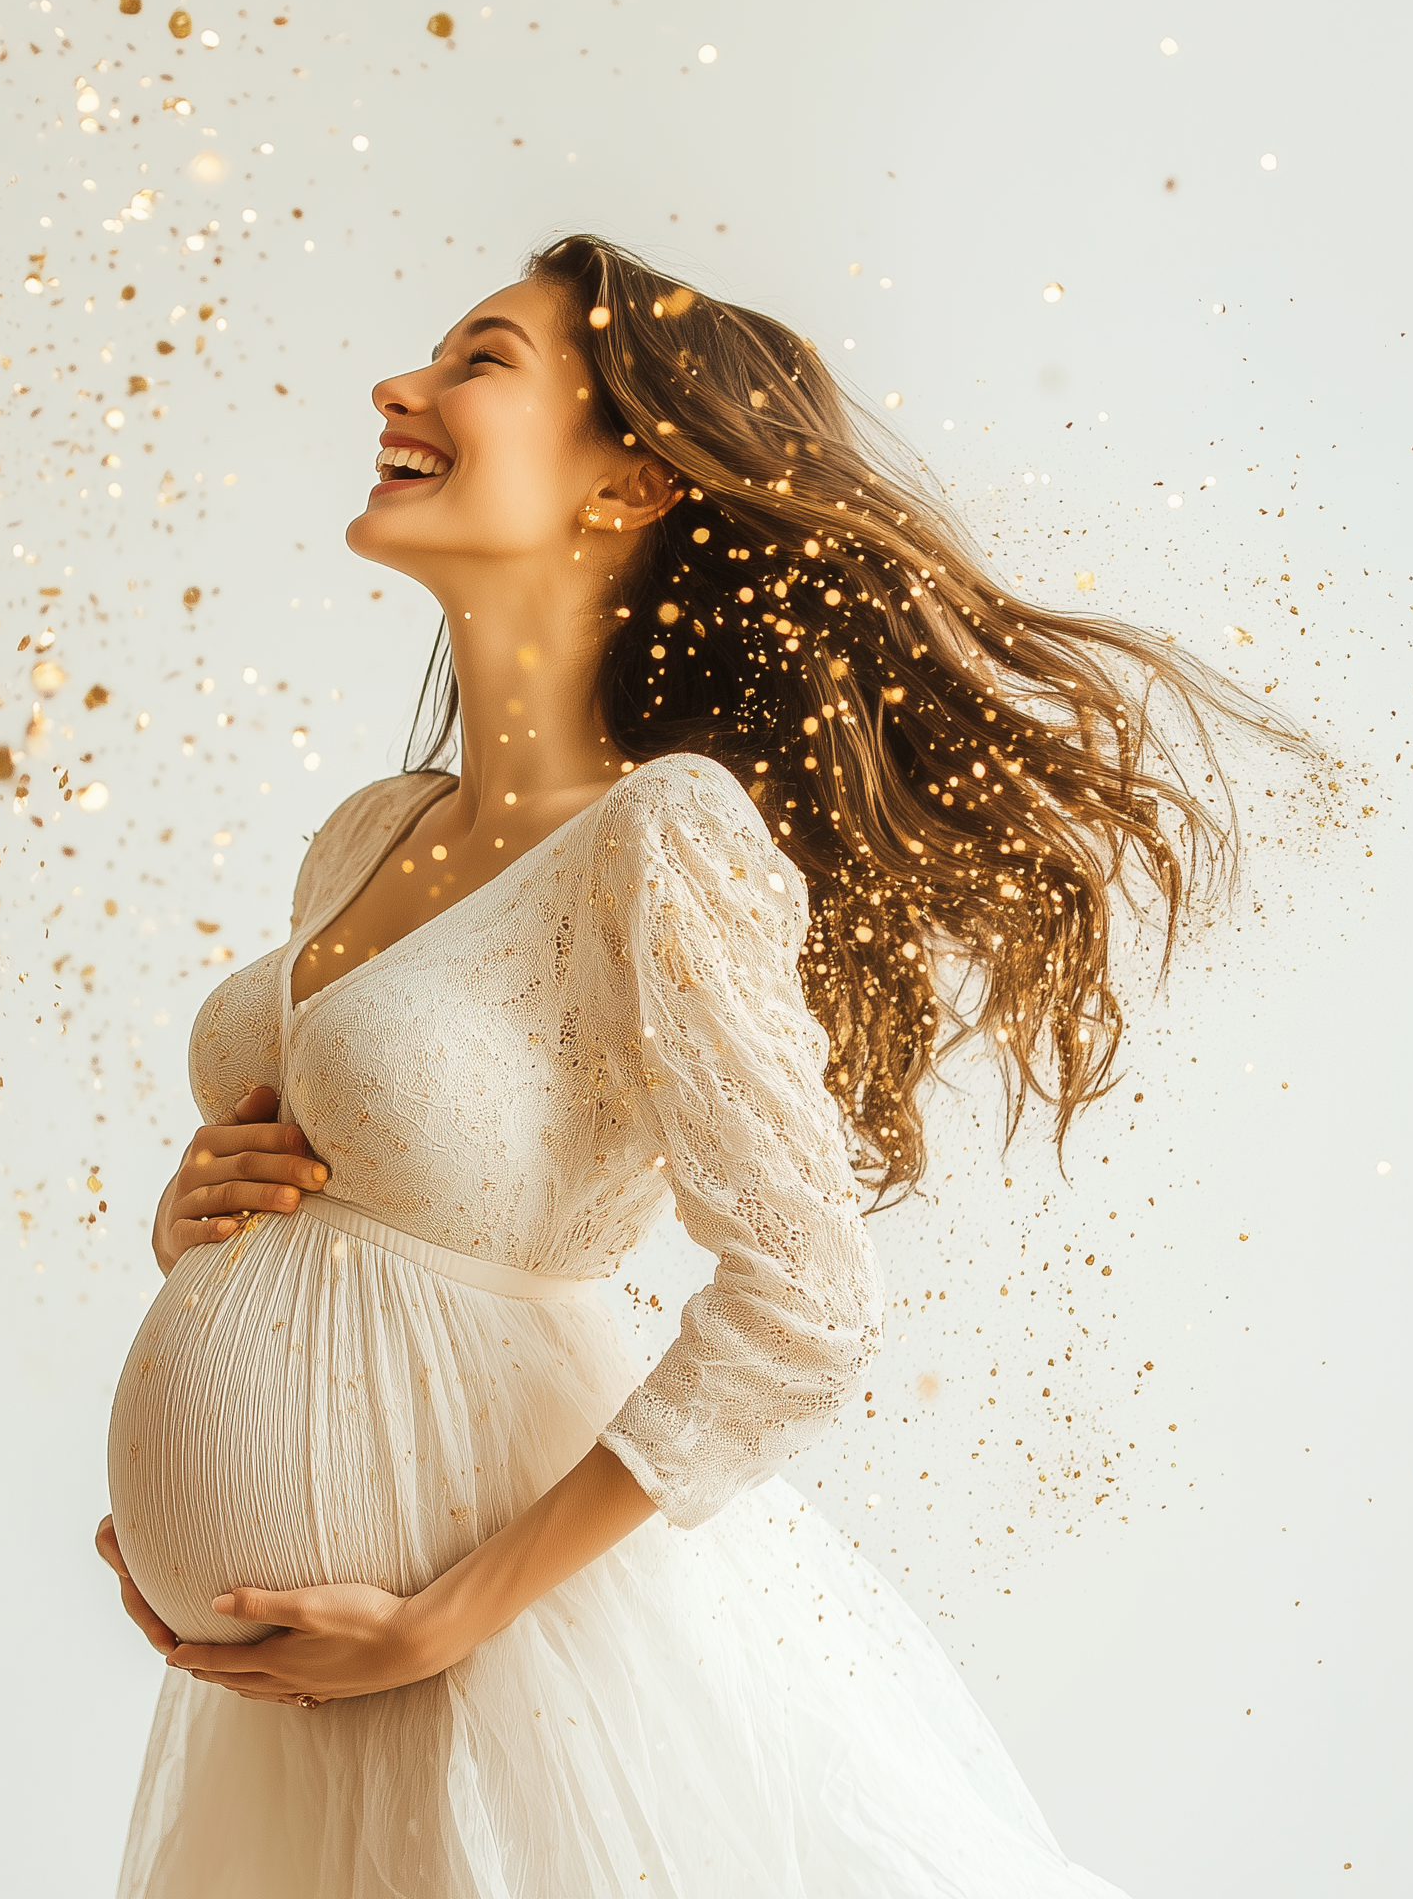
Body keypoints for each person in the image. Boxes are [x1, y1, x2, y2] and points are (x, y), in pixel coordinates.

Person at [96, 234, 1269, 1896]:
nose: (399, 387)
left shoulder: (668, 837)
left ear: (628, 481)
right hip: (294, 1697)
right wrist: (204, 1236)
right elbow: (381, 1226)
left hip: (503, 1661)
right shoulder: (369, 831)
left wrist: (445, 1617)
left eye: (479, 361)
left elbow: (806, 1301)